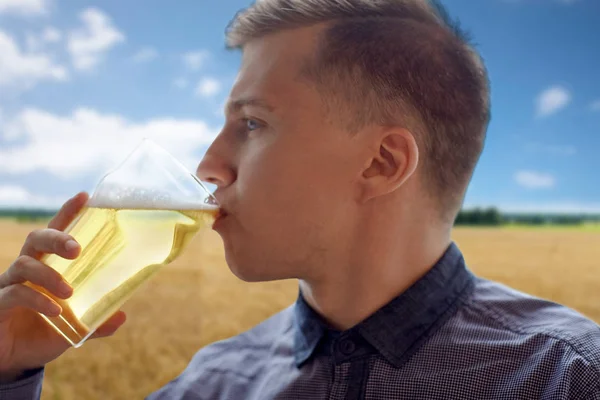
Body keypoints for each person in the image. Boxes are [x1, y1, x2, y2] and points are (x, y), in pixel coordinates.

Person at [1, 0, 599, 398]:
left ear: (382, 163)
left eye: (253, 123)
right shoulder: (214, 382)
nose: (208, 165)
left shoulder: (567, 378)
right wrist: (9, 370)